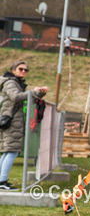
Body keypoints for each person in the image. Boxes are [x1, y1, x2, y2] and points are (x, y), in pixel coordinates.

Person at [0, 60, 48, 190]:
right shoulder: (10, 82)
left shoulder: (15, 82)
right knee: (12, 151)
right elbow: (16, 97)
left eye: (25, 70)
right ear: (13, 70)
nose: (23, 71)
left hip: (14, 120)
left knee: (8, 151)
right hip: (11, 120)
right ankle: (2, 182)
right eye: (20, 69)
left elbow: (24, 97)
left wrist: (40, 92)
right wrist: (33, 91)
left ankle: (1, 180)